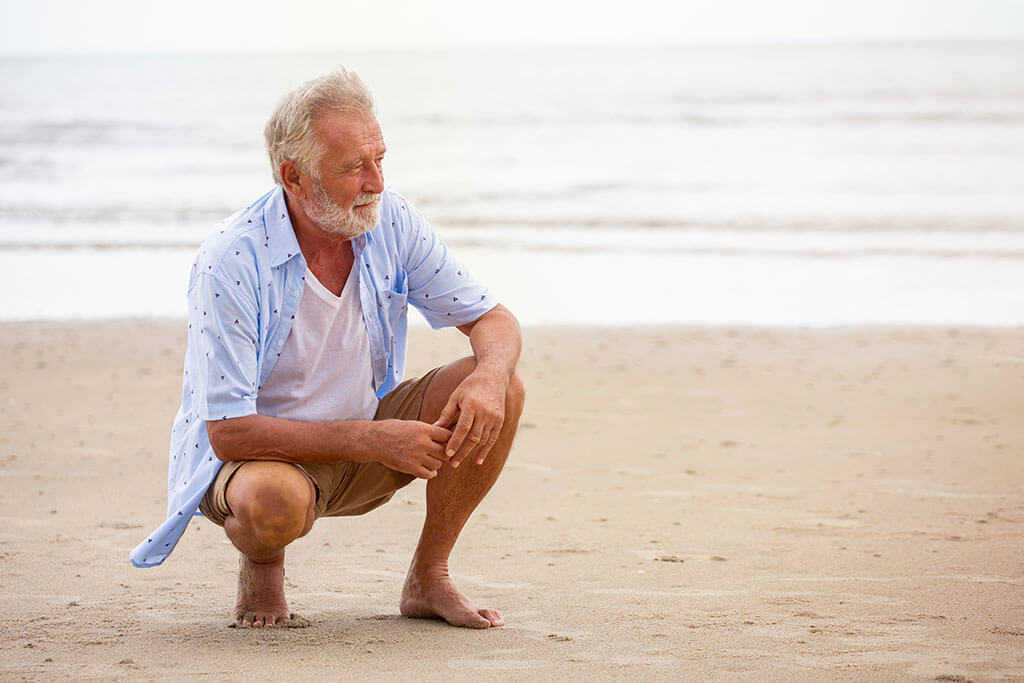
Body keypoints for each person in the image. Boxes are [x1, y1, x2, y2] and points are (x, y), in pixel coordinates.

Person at [130, 68, 524, 630]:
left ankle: (428, 577)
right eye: (352, 167)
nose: (376, 181)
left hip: (368, 440)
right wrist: (370, 440)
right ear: (294, 177)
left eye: (379, 159)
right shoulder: (232, 259)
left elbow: (493, 319)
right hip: (259, 461)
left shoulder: (391, 221)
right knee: (273, 502)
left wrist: (487, 378)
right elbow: (229, 429)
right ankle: (262, 571)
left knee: (502, 382)